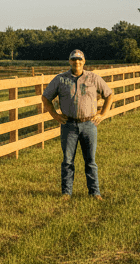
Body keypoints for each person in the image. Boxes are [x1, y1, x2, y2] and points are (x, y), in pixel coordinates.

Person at [41, 49, 116, 200]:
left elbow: (109, 94)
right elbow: (45, 98)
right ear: (69, 61)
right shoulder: (60, 79)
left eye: (79, 59)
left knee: (90, 161)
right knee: (68, 160)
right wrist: (55, 115)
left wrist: (103, 114)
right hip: (69, 124)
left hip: (89, 124)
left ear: (84, 61)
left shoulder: (93, 78)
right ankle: (66, 193)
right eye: (74, 59)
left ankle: (95, 192)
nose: (77, 62)